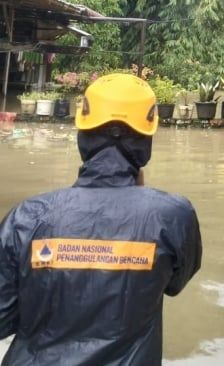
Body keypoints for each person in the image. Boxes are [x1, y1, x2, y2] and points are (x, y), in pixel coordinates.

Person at [0, 73, 202, 365]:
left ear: (83, 135)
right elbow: (174, 284)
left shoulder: (27, 217)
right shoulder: (172, 216)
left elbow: (3, 318)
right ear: (147, 141)